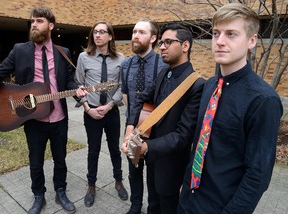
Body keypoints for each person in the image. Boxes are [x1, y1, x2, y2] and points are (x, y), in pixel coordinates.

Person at [178, 3, 283, 214]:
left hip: (220, 206)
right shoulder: (209, 86)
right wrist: (186, 182)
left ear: (252, 41)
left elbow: (258, 174)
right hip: (188, 200)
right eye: (216, 33)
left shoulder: (263, 100)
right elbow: (201, 142)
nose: (220, 42)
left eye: (231, 34)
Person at [0, 6, 87, 214]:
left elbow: (69, 82)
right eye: (32, 21)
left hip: (59, 118)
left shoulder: (63, 52)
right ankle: (38, 195)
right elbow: (2, 71)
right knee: (36, 161)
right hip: (32, 118)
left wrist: (78, 91)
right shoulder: (19, 50)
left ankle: (61, 191)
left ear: (51, 25)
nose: (34, 25)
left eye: (39, 21)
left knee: (60, 159)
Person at [121, 22, 205, 214]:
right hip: (152, 159)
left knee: (168, 208)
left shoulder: (196, 85)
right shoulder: (163, 73)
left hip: (172, 166)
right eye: (161, 42)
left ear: (185, 46)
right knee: (153, 204)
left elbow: (184, 135)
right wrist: (130, 127)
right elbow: (141, 99)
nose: (162, 47)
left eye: (168, 42)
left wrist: (147, 147)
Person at [74, 21, 128, 208]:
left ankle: (119, 181)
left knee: (114, 149)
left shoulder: (121, 59)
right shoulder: (83, 57)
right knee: (93, 150)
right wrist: (88, 108)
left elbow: (122, 86)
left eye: (102, 32)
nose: (97, 35)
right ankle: (91, 186)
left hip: (111, 112)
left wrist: (111, 105)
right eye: (95, 32)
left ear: (110, 36)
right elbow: (78, 85)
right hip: (91, 113)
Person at [121, 18, 168, 214]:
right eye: (133, 32)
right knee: (134, 170)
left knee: (155, 173)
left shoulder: (164, 64)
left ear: (153, 38)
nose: (135, 36)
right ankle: (135, 205)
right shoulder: (126, 65)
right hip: (133, 126)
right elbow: (126, 96)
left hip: (156, 130)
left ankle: (153, 208)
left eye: (141, 32)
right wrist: (132, 123)